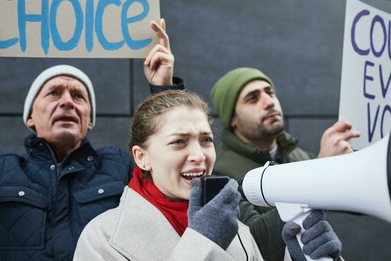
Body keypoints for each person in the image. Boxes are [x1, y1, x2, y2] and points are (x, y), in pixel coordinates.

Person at [0, 19, 185, 260]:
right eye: (53, 93)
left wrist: (163, 89)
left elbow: (174, 167)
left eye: (78, 96)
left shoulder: (120, 166)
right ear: (30, 117)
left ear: (89, 120)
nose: (67, 101)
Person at [73, 90, 343, 261]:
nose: (199, 155)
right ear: (141, 157)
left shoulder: (238, 230)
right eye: (179, 141)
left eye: (205, 140)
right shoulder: (100, 239)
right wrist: (203, 244)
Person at [210, 67, 360, 260]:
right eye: (253, 99)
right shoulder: (217, 170)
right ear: (232, 120)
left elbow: (353, 201)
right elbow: (256, 242)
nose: (269, 102)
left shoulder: (298, 156)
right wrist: (321, 171)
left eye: (270, 92)